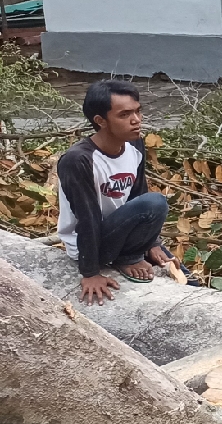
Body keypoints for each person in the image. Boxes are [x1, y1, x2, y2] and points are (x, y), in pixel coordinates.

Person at [57, 79, 170, 304]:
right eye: (124, 115)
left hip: (121, 232)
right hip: (91, 243)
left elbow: (138, 193)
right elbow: (86, 218)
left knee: (178, 268)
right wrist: (90, 273)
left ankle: (133, 252)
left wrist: (152, 242)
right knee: (155, 203)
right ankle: (127, 258)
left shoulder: (134, 145)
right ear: (101, 121)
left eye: (138, 111)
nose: (136, 120)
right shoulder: (79, 160)